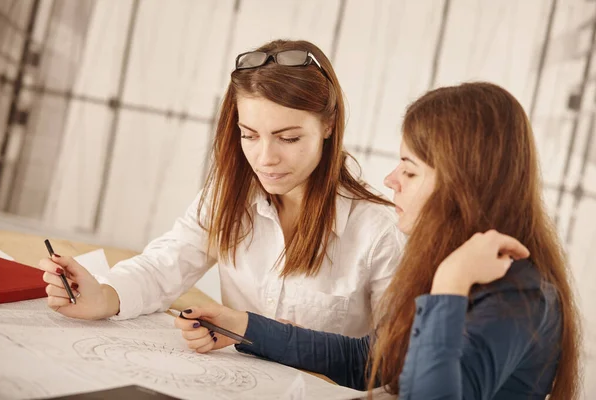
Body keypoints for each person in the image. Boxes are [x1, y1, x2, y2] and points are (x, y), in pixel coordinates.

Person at [172, 82, 582, 399]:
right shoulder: (461, 267)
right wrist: (245, 328)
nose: (390, 181)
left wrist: (450, 286)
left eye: (409, 169)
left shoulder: (520, 297)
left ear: (461, 186)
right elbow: (377, 363)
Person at [37, 39, 405, 338]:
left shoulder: (379, 231)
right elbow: (165, 265)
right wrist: (104, 295)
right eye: (249, 135)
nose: (265, 158)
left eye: (288, 138)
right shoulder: (229, 196)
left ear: (328, 126)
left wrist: (270, 337)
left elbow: (392, 362)